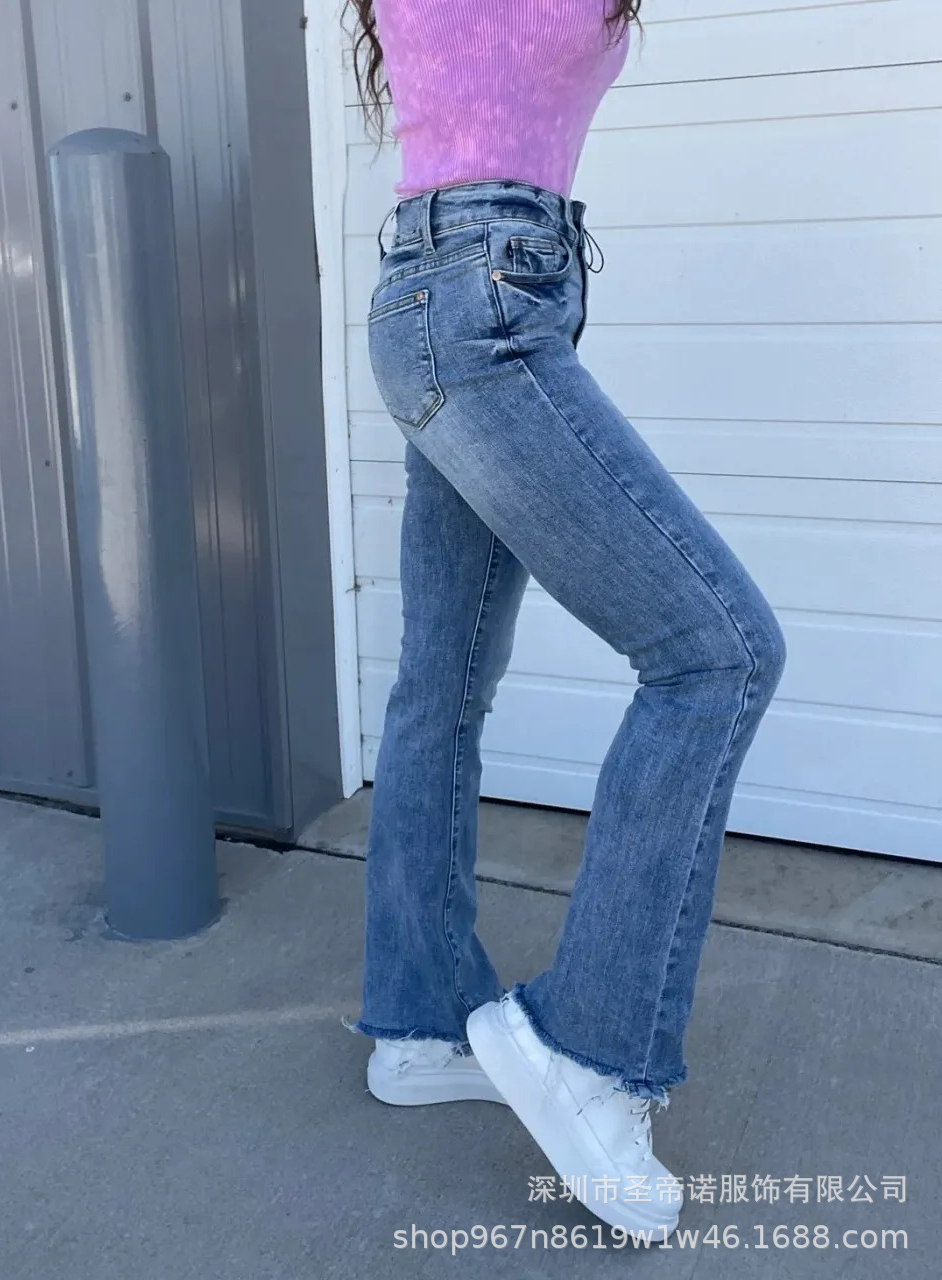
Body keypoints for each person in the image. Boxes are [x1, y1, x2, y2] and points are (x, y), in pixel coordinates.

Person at [348, 0, 787, 1239]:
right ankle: (585, 1047)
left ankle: (421, 1019)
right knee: (717, 654)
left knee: (438, 684)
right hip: (484, 300)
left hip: (449, 291)